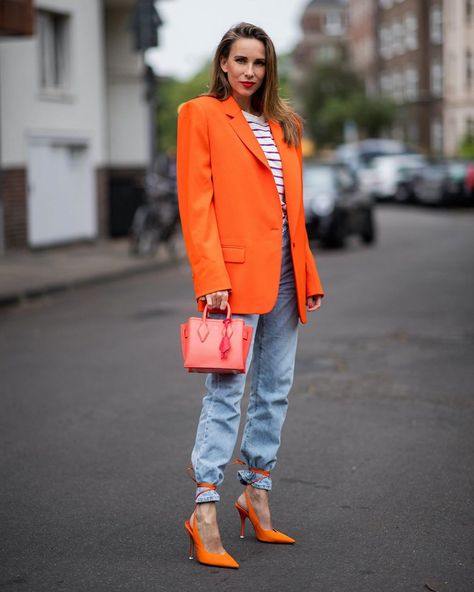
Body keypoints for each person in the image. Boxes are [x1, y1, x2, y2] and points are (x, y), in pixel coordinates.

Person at [177, 22, 324, 569]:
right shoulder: (201, 115)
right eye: (240, 61)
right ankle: (206, 508)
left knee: (276, 387)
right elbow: (196, 202)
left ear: (269, 68)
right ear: (222, 63)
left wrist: (306, 273)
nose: (248, 72)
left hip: (286, 271)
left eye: (258, 63)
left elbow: (292, 210)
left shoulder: (287, 124)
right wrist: (210, 275)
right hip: (234, 276)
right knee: (226, 390)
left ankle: (256, 493)